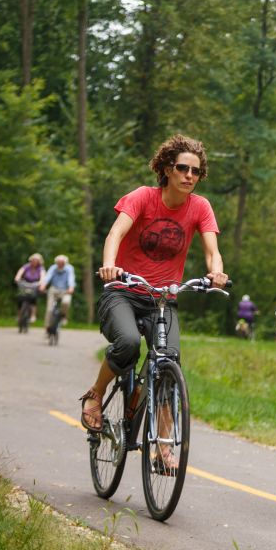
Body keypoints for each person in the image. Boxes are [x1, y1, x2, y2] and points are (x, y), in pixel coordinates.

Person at [81, 134, 229, 451]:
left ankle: (163, 446)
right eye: (182, 168)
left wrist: (215, 271)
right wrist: (109, 265)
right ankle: (95, 394)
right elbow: (115, 233)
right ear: (166, 168)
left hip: (162, 300)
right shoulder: (142, 198)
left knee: (168, 361)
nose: (190, 176)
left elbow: (211, 250)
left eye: (196, 171)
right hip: (122, 291)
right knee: (129, 344)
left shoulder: (200, 207)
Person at [40, 254, 76, 333]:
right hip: (54, 290)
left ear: (65, 263)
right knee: (49, 309)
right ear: (56, 263)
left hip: (65, 290)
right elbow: (47, 277)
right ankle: (47, 327)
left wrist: (71, 287)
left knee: (66, 302)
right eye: (58, 262)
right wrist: (43, 285)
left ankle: (63, 316)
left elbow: (71, 278)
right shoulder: (53, 268)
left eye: (62, 263)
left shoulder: (69, 268)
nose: (60, 264)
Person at [14, 253, 44, 323]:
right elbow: (20, 272)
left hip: (35, 284)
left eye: (36, 260)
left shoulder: (41, 268)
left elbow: (43, 276)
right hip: (25, 283)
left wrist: (41, 282)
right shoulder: (26, 266)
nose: (34, 262)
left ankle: (33, 315)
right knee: (20, 298)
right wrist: (17, 278)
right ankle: (19, 316)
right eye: (33, 260)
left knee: (33, 298)